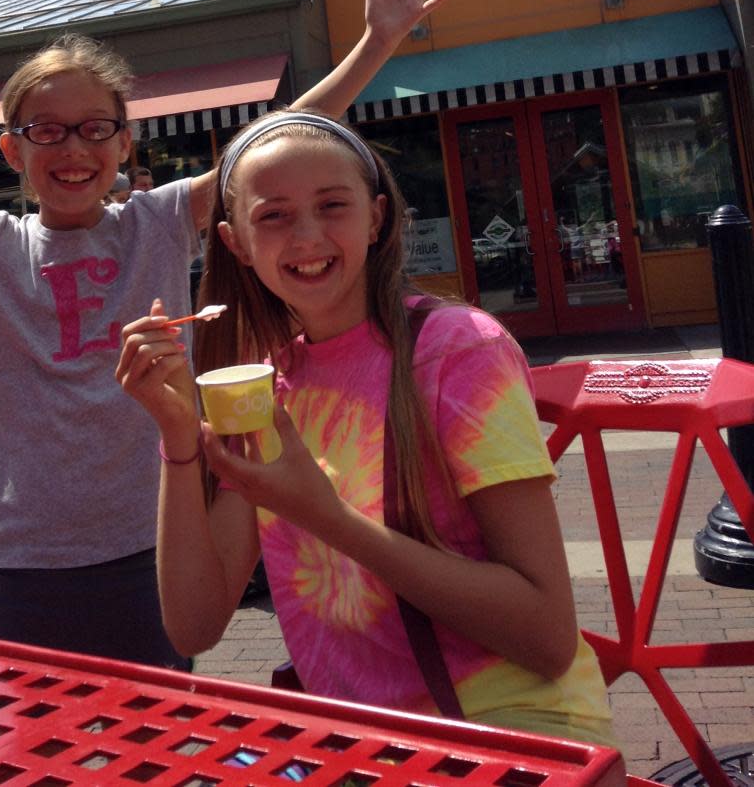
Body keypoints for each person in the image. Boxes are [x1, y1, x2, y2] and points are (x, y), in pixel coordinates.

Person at [0, 0, 455, 669]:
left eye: (95, 127)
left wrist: (376, 43)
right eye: (47, 129)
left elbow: (275, 136)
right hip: (23, 561)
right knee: (28, 762)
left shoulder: (157, 221)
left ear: (125, 140)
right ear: (13, 150)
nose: (73, 147)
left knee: (159, 753)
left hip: (157, 548)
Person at [117, 111, 615, 743]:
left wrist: (330, 520)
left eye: (332, 205)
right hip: (359, 744)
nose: (306, 236)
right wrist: (178, 436)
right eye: (273, 215)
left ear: (375, 218)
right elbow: (195, 626)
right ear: (237, 243)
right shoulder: (264, 386)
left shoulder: (457, 351)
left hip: (506, 734)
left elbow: (545, 635)